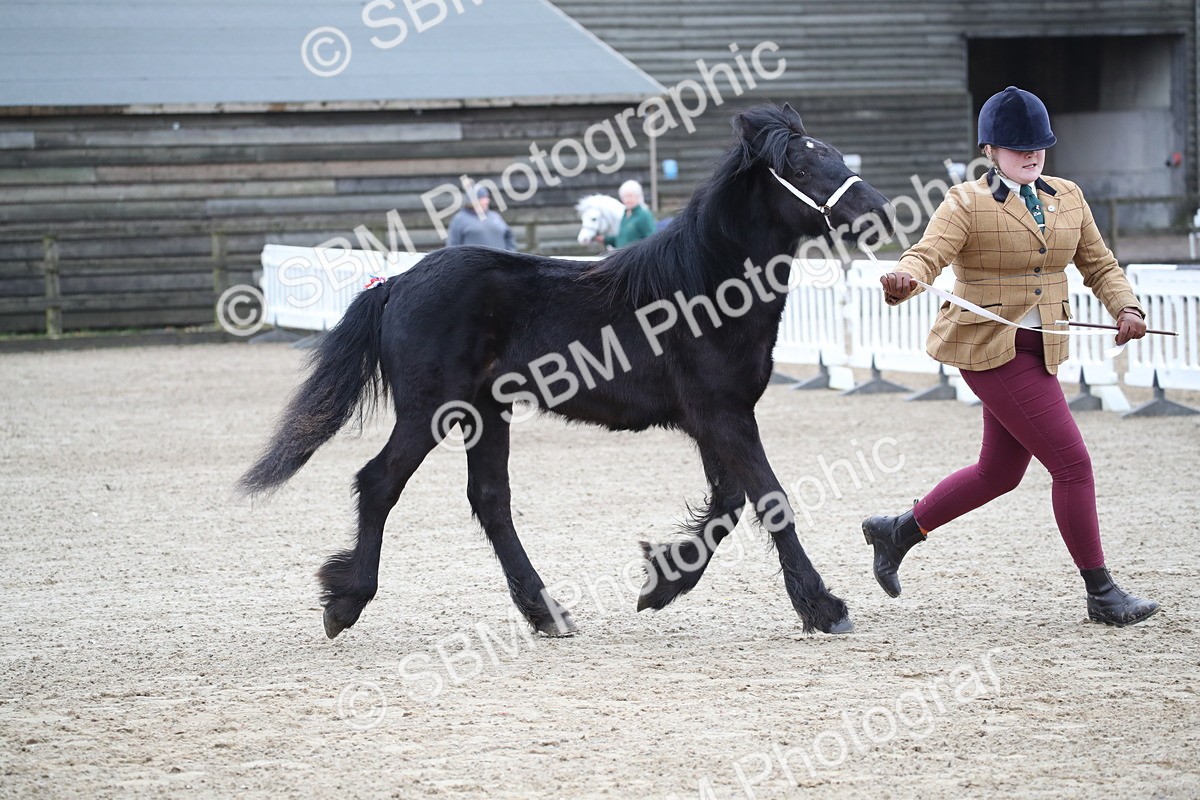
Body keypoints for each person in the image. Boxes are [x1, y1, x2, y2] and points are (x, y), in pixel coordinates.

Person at [863, 86, 1159, 627]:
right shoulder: (965, 202)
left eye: (1038, 146)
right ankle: (1102, 592)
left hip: (1041, 344)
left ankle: (897, 532)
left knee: (998, 472)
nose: (1031, 155)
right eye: (1018, 147)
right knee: (1073, 466)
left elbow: (1099, 264)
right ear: (990, 150)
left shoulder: (1067, 196)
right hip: (989, 349)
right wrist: (905, 278)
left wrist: (1127, 307)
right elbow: (927, 256)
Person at [447, 186, 517, 250]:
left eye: (487, 197)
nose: (487, 201)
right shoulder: (459, 219)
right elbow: (452, 246)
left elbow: (509, 237)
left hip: (499, 263)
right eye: (483, 198)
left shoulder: (495, 216)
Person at [600, 180, 656, 248]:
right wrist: (605, 239)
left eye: (630, 196)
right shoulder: (625, 215)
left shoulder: (644, 215)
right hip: (622, 256)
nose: (627, 200)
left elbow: (652, 240)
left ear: (638, 197)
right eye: (625, 197)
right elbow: (622, 240)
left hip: (635, 257)